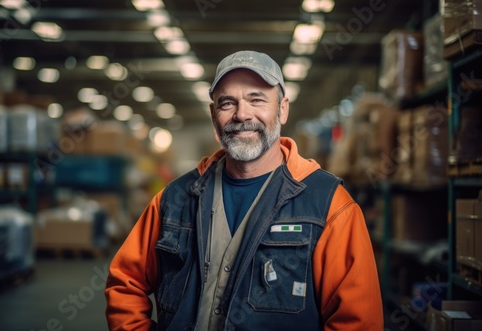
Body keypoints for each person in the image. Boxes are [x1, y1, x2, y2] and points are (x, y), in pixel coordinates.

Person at [105, 50, 383, 330]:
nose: (242, 114)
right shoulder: (174, 198)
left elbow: (358, 322)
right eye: (227, 103)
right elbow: (125, 283)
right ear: (214, 114)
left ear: (282, 109)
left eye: (256, 99)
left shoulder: (329, 205)